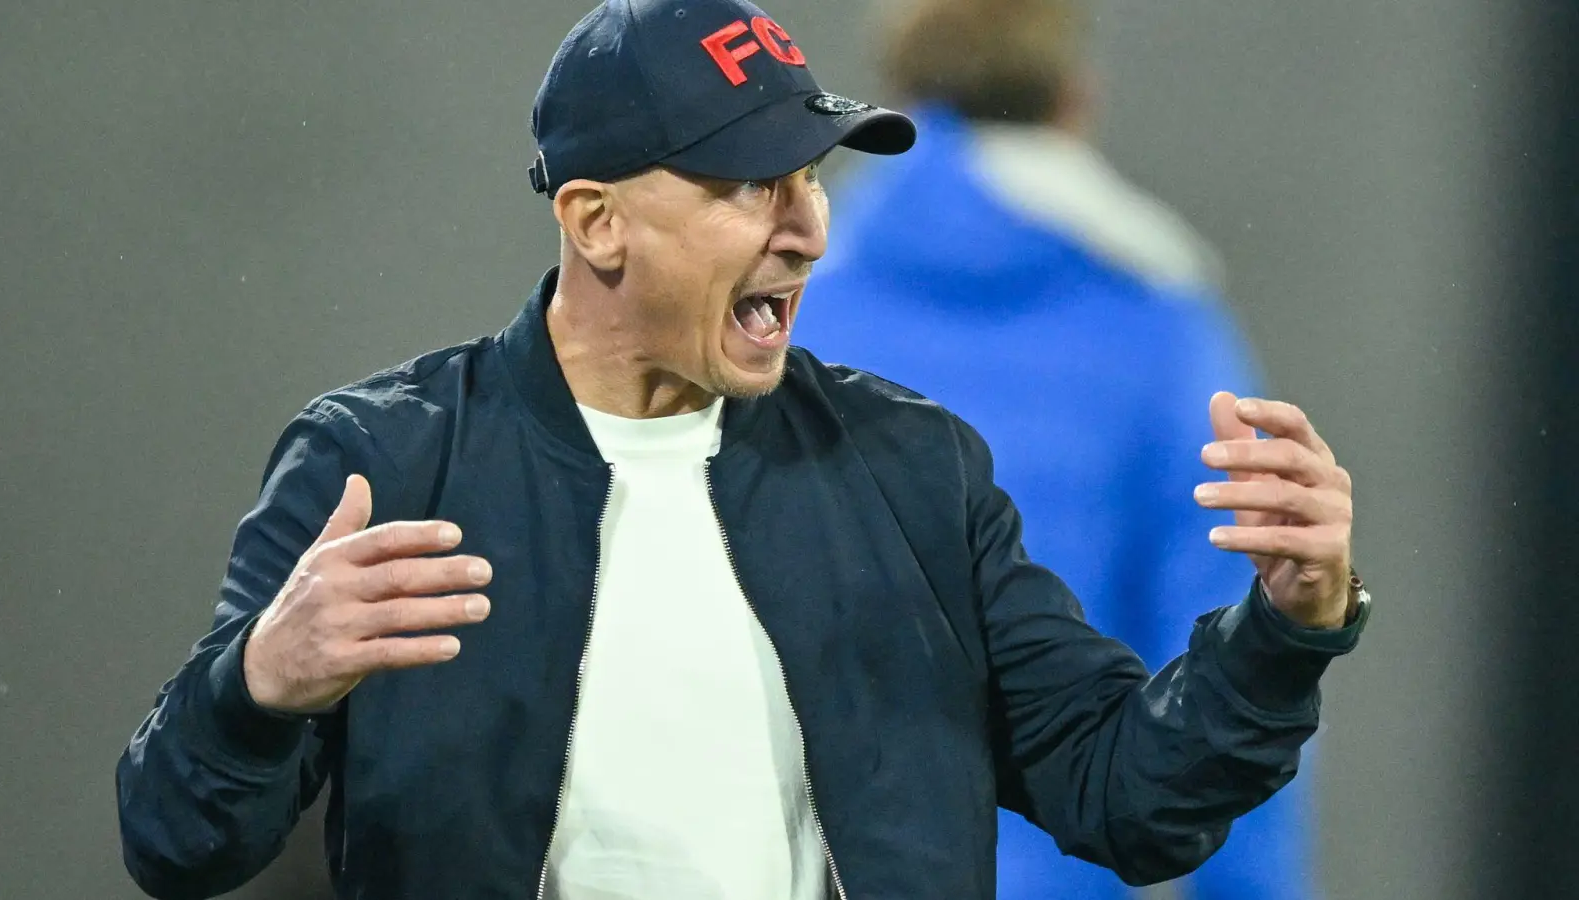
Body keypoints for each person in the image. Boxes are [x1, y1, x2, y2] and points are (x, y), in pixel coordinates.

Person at [114, 1, 1371, 898]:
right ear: (597, 222)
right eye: (746, 187)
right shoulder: (385, 466)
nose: (806, 230)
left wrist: (1282, 630)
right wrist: (256, 690)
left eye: (811, 178)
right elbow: (179, 846)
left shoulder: (911, 470)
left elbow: (1125, 796)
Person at [794, 1, 1319, 898]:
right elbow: (1240, 651)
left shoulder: (787, 309)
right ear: (1077, 99)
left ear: (896, 98)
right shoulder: (1164, 327)